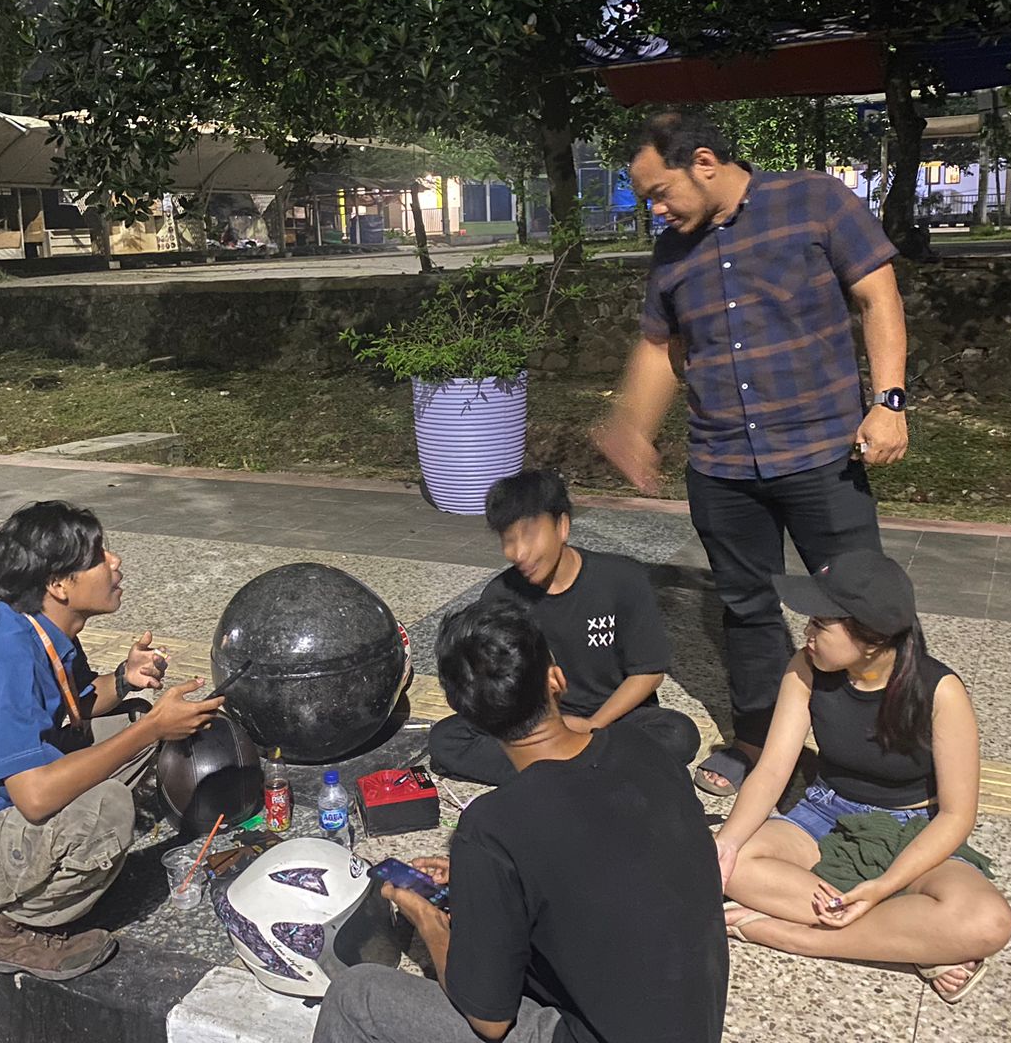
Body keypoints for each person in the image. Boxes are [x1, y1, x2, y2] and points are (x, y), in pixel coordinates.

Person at [594, 109, 910, 798]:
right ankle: (762, 744)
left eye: (658, 193)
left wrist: (889, 401)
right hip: (723, 467)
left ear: (704, 163)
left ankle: (884, 746)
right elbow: (659, 346)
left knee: (862, 602)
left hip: (822, 452)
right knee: (747, 609)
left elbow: (877, 295)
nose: (654, 210)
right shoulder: (672, 252)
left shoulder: (815, 200)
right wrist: (631, 424)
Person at [316, 600, 727, 1043]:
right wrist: (491, 881)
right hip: (695, 1025)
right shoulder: (644, 749)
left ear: (466, 715)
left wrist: (427, 920)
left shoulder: (494, 825)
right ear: (556, 678)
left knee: (355, 996)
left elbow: (489, 1020)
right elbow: (602, 856)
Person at [0, 501, 224, 980]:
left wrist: (125, 679)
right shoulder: (8, 657)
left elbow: (74, 706)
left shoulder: (37, 627)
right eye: (97, 556)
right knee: (108, 806)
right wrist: (153, 728)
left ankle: (66, 868)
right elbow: (35, 797)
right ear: (58, 585)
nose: (115, 561)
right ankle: (17, 930)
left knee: (129, 719)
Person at [717, 549, 1011, 1004]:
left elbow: (957, 815)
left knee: (986, 922)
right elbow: (773, 768)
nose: (807, 634)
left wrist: (882, 888)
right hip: (826, 813)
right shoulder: (805, 668)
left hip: (913, 828)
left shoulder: (940, 691)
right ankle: (910, 939)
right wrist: (727, 844)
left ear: (872, 638)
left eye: (821, 624)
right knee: (729, 864)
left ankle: (795, 936)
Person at [428, 469, 701, 785]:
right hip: (535, 722)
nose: (518, 552)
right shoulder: (500, 595)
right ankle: (592, 770)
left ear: (562, 526)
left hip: (614, 720)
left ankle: (548, 770)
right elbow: (491, 681)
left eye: (530, 535)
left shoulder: (623, 580)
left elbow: (648, 673)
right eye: (508, 539)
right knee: (447, 738)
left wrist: (593, 724)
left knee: (678, 733)